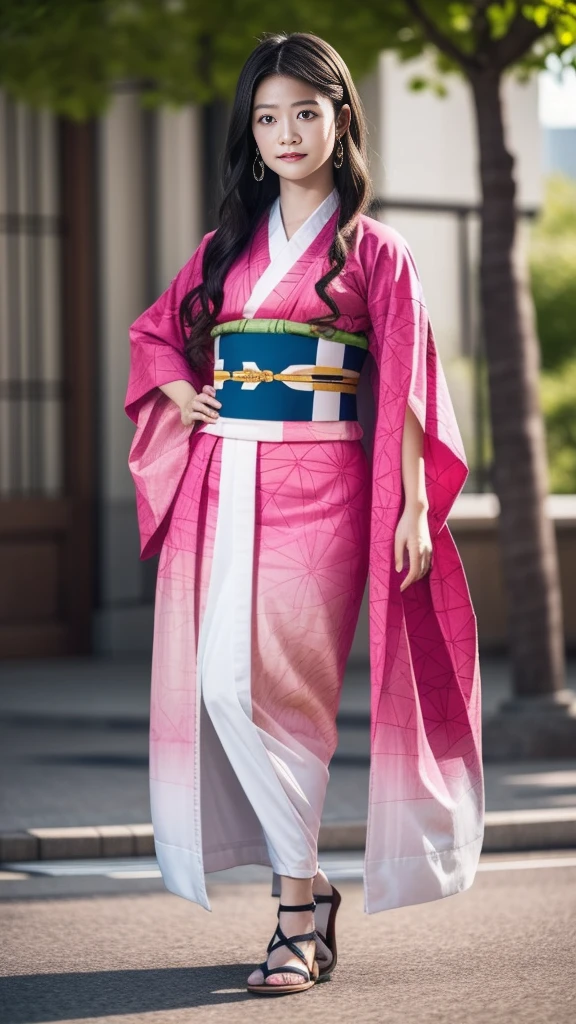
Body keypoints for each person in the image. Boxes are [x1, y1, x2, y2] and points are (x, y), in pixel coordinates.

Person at [124, 31, 484, 996]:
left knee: (275, 694)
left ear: (341, 120)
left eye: (306, 112)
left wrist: (411, 504)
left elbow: (407, 383)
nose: (286, 132)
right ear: (250, 132)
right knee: (214, 687)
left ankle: (293, 915)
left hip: (322, 490)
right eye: (268, 116)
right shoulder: (224, 250)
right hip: (220, 476)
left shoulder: (378, 250)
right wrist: (179, 395)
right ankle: (308, 887)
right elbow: (158, 333)